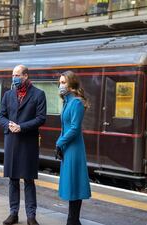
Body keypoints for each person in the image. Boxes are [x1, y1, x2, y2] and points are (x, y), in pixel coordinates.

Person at [0, 65, 46, 225]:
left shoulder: (39, 94)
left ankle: (31, 216)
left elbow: (41, 118)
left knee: (29, 179)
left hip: (28, 142)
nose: (14, 78)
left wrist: (22, 127)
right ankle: (13, 213)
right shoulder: (8, 95)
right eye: (13, 75)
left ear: (25, 76)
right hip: (11, 141)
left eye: (17, 75)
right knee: (12, 179)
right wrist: (8, 124)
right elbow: (1, 116)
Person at [56, 71, 91, 225]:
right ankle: (73, 220)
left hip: (74, 148)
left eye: (63, 82)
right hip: (67, 146)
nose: (60, 85)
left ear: (71, 84)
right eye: (60, 82)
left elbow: (75, 128)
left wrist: (60, 142)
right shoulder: (67, 102)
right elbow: (65, 127)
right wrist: (60, 142)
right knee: (71, 183)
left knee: (74, 182)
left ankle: (73, 220)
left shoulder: (76, 103)